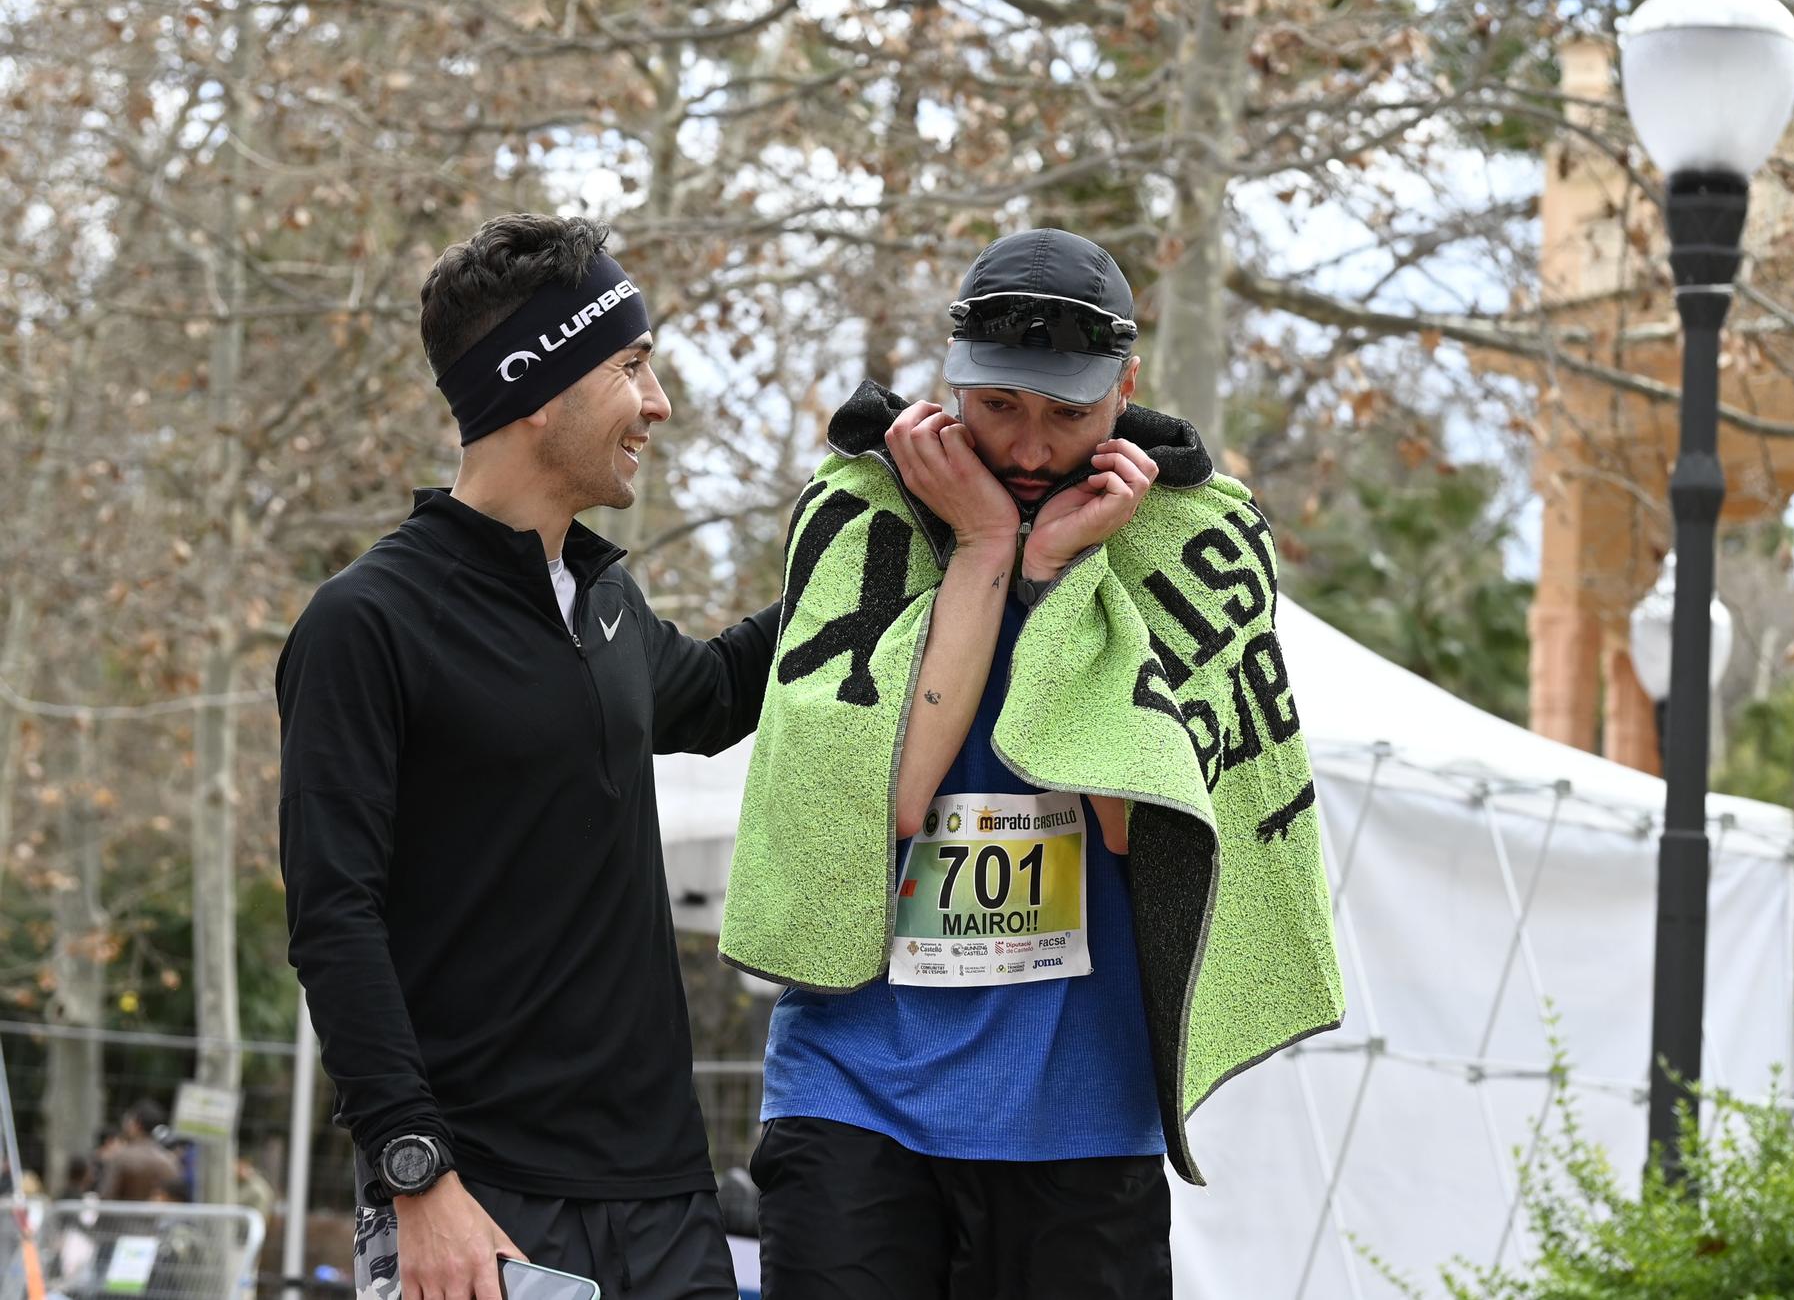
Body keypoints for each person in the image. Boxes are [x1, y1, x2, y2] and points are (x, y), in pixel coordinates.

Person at [723, 227, 1345, 1299]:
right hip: (854, 1088)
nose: (1025, 447)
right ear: (952, 376)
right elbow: (891, 804)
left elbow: (1131, 826)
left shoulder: (1194, 537)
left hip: (1079, 1110)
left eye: (1068, 414)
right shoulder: (857, 511)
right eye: (999, 403)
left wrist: (1056, 575)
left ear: (1126, 389)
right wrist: (976, 550)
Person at [278, 214, 780, 1300]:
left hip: (665, 1200)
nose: (656, 404)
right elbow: (333, 920)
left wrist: (888, 533)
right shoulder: (365, 623)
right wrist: (419, 1176)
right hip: (477, 1203)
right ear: (535, 386)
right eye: (632, 367)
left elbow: (727, 688)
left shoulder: (602, 601)